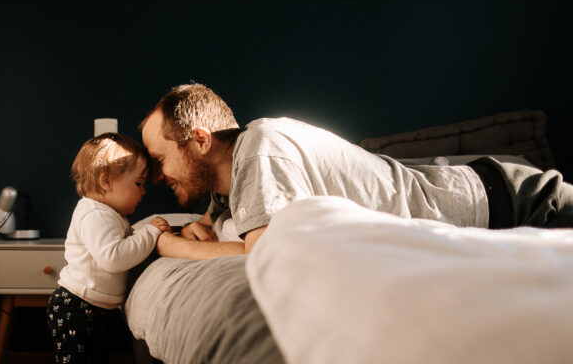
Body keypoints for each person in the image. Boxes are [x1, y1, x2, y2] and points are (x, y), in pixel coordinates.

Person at [139, 83, 573, 259]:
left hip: (517, 203)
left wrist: (170, 245)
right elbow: (223, 222)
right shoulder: (228, 185)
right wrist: (202, 225)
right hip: (497, 205)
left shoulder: (260, 146)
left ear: (199, 140)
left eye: (159, 161)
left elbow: (266, 255)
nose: (157, 177)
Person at [48, 133, 170, 364]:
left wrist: (142, 231)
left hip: (96, 310)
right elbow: (114, 256)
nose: (144, 192)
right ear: (107, 180)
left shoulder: (110, 215)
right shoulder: (94, 214)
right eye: (139, 183)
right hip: (75, 306)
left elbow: (123, 239)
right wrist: (152, 232)